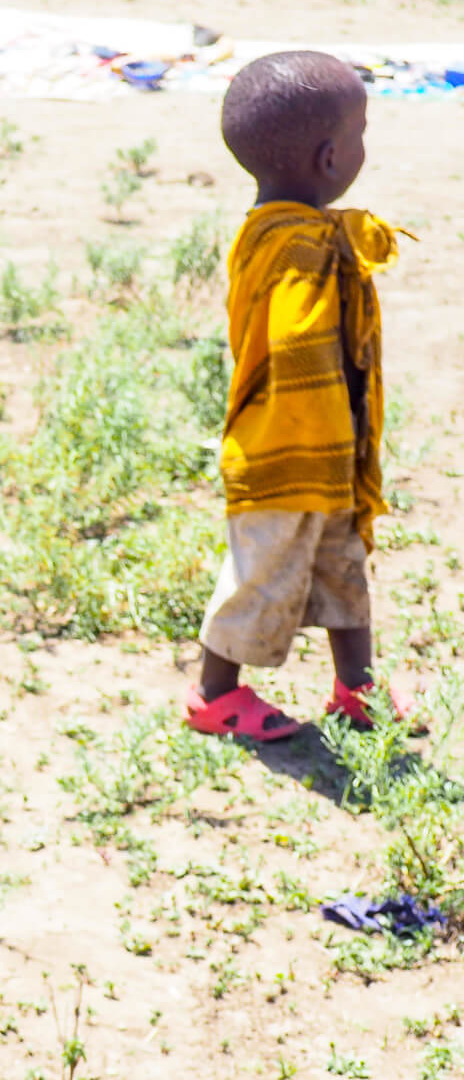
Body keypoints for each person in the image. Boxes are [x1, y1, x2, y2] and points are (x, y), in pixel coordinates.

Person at [184, 50, 417, 741]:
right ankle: (214, 695)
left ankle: (357, 688)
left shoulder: (305, 235)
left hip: (331, 442)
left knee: (344, 568)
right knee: (264, 573)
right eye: (360, 133)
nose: (362, 148)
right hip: (285, 446)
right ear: (328, 158)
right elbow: (291, 349)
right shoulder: (288, 248)